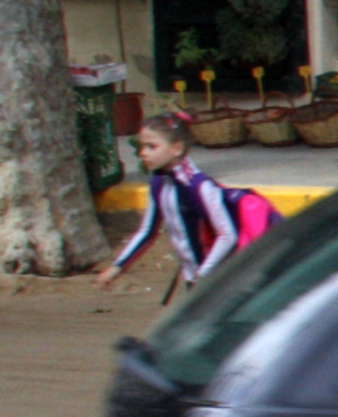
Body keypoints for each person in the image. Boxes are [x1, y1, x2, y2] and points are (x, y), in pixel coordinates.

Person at [102, 111, 277, 297]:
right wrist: (117, 267)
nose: (143, 153)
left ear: (176, 148)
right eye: (142, 147)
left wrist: (203, 274)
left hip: (217, 280)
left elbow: (228, 235)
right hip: (195, 279)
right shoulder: (159, 183)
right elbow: (148, 231)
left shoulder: (200, 187)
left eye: (151, 147)